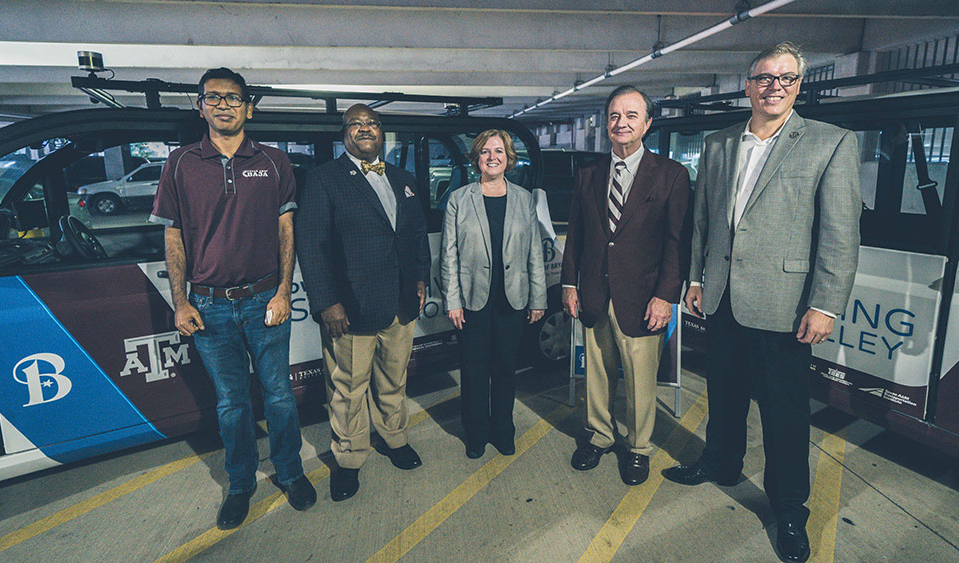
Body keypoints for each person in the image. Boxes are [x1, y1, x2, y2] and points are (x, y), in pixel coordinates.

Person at [663, 42, 861, 563]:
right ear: (748, 85)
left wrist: (826, 304)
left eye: (786, 77)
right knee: (724, 393)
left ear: (799, 84)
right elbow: (705, 218)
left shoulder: (830, 143)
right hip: (724, 296)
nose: (775, 86)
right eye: (764, 77)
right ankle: (722, 462)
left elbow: (840, 233)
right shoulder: (719, 143)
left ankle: (790, 508)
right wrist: (696, 279)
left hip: (786, 304)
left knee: (785, 414)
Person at [150, 67, 316, 530]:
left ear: (248, 106)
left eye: (233, 97)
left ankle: (290, 472)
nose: (224, 104)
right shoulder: (181, 162)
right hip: (209, 307)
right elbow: (174, 235)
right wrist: (180, 302)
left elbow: (286, 230)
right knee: (232, 403)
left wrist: (285, 290)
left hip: (266, 299)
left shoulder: (274, 161)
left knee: (280, 395)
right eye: (214, 97)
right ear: (200, 105)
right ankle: (241, 484)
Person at [295, 103, 430, 502]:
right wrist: (327, 302)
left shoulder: (403, 178)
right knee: (348, 388)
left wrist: (421, 278)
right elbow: (312, 246)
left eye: (371, 123)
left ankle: (394, 438)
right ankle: (350, 458)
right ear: (344, 133)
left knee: (393, 379)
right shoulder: (324, 179)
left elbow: (416, 234)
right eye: (356, 124)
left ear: (381, 130)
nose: (365, 129)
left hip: (401, 302)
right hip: (349, 307)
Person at [561, 85, 691, 486]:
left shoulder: (671, 175)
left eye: (632, 115)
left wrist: (666, 296)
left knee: (640, 380)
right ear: (607, 123)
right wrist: (569, 284)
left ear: (647, 123)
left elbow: (677, 243)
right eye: (615, 115)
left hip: (643, 298)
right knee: (597, 374)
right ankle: (599, 435)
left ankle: (637, 449)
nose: (622, 123)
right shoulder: (588, 173)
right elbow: (578, 236)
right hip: (595, 293)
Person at [440, 129, 547, 459]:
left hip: (512, 299)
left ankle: (503, 430)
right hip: (473, 301)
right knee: (473, 372)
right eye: (485, 152)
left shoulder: (524, 198)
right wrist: (453, 301)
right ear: (476, 159)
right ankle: (475, 432)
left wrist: (538, 299)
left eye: (498, 151)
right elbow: (449, 254)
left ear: (509, 158)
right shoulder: (459, 199)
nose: (492, 157)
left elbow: (533, 252)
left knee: (505, 370)